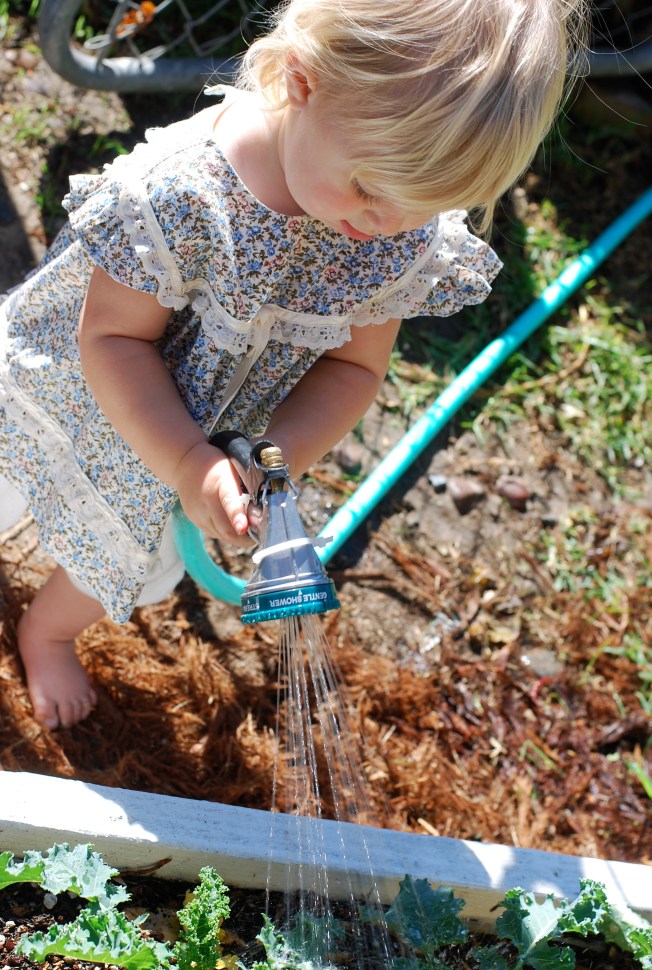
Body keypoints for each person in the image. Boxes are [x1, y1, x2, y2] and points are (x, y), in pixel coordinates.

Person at [0, 0, 586, 730]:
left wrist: (273, 459)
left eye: (428, 206)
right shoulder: (184, 196)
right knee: (10, 463)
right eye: (370, 190)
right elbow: (113, 338)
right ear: (303, 81)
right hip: (84, 384)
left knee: (126, 542)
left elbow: (353, 369)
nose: (388, 225)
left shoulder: (392, 227)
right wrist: (182, 458)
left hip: (196, 447)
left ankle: (47, 632)